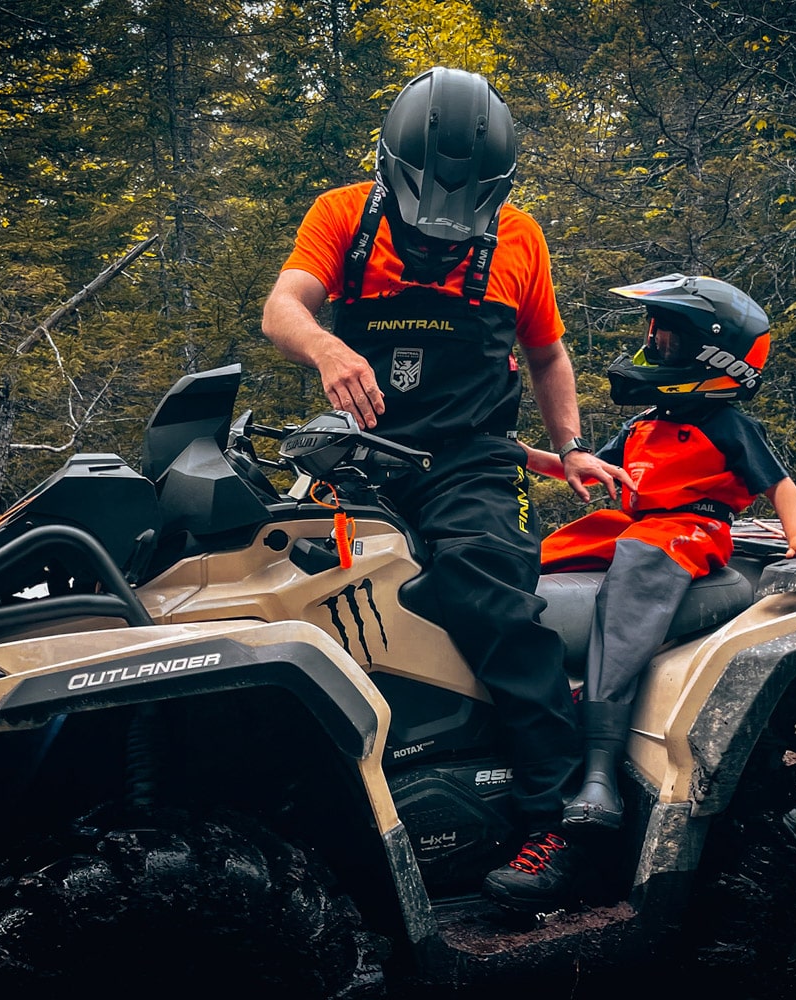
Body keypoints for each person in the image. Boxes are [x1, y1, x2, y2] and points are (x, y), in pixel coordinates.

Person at [261, 66, 629, 911]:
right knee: (312, 603)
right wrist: (325, 349)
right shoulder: (341, 215)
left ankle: (559, 822)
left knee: (485, 593)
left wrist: (569, 447)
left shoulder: (520, 240)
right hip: (354, 462)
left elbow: (546, 356)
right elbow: (284, 306)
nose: (441, 239)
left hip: (470, 464)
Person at [519, 273, 796, 830]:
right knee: (532, 562)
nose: (654, 345)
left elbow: (777, 483)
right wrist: (513, 453)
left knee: (637, 564)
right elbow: (582, 467)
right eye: (655, 335)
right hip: (630, 521)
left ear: (714, 356)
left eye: (667, 339)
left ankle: (599, 771)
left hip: (690, 528)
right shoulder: (645, 423)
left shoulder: (728, 423)